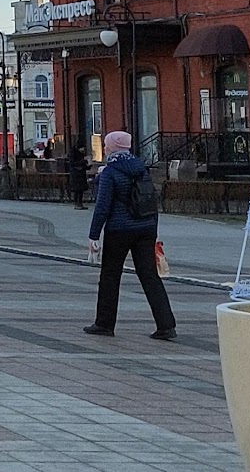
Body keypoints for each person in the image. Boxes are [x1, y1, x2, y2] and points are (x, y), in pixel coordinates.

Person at [86, 130, 175, 341]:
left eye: (107, 146)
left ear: (114, 147)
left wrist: (93, 235)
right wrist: (152, 229)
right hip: (145, 228)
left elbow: (103, 207)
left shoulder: (110, 172)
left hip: (119, 229)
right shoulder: (141, 169)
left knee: (110, 276)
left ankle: (104, 323)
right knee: (149, 275)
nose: (105, 149)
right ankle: (166, 325)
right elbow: (150, 200)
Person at [66, 143, 92, 210]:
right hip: (76, 175)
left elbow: (84, 166)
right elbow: (73, 164)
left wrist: (89, 165)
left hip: (81, 174)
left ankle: (80, 203)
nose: (83, 149)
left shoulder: (80, 155)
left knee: (81, 190)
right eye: (82, 148)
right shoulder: (74, 154)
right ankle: (77, 203)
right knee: (77, 190)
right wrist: (84, 162)